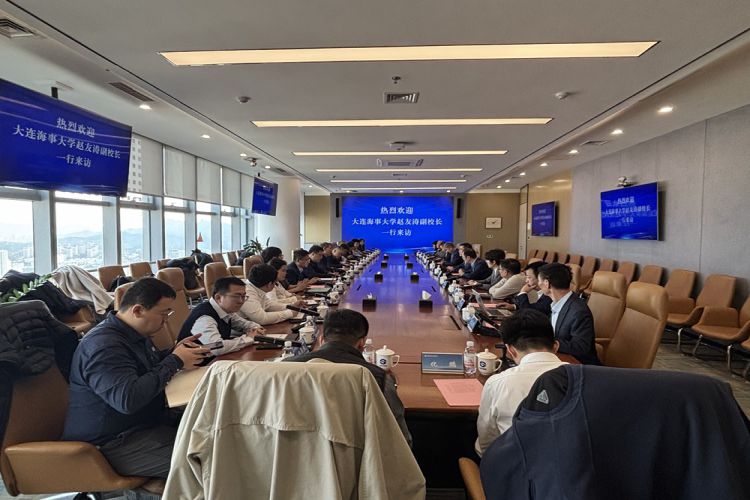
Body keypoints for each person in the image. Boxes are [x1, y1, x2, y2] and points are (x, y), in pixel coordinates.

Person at [62, 278, 210, 478]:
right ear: (138, 310)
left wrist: (176, 353)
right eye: (163, 313)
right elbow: (127, 400)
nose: (166, 320)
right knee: (209, 461)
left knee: (215, 427)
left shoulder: (132, 333)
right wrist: (174, 361)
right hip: (113, 442)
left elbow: (143, 367)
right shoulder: (104, 346)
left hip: (145, 420)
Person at [285, 308, 412, 446]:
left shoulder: (284, 368)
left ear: (321, 339)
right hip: (357, 456)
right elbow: (401, 439)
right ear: (362, 343)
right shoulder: (377, 378)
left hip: (296, 453)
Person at [475, 309, 566, 456]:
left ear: (511, 351)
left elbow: (486, 444)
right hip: (576, 467)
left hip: (517, 467)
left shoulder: (497, 383)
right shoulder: (584, 378)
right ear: (555, 346)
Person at [178, 276, 264, 355]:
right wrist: (249, 338)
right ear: (218, 298)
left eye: (244, 296)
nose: (241, 301)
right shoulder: (205, 317)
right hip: (196, 364)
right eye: (236, 296)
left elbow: (244, 324)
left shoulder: (226, 310)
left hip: (214, 359)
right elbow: (216, 347)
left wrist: (256, 329)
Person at [538, 263, 600, 365]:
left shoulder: (578, 311)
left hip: (580, 366)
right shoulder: (557, 303)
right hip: (560, 359)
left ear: (547, 283)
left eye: (539, 281)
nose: (538, 284)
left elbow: (581, 348)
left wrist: (552, 343)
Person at [239, 264, 305, 325]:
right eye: (275, 283)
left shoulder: (257, 288)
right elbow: (262, 319)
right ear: (270, 284)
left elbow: (269, 305)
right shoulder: (246, 292)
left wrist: (291, 306)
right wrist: (290, 313)